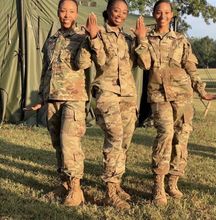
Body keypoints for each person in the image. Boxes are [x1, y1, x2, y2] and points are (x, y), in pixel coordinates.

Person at [24, 0, 103, 207]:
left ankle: (76, 189)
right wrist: (42, 97)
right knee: (58, 144)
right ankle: (65, 184)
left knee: (70, 143)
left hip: (74, 99)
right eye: (63, 11)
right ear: (58, 13)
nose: (66, 15)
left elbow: (83, 63)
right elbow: (46, 71)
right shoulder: (51, 40)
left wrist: (91, 37)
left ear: (76, 14)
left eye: (71, 11)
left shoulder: (81, 37)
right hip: (52, 99)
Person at [142, 0, 216, 206]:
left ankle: (173, 181)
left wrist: (201, 90)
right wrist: (141, 40)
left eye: (166, 12)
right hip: (159, 94)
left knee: (182, 136)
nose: (162, 16)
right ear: (154, 14)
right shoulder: (146, 38)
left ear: (172, 14)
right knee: (165, 133)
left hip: (183, 94)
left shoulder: (181, 39)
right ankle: (158, 185)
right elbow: (144, 63)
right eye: (159, 12)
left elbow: (190, 66)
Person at [78, 0, 149, 210]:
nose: (120, 15)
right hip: (107, 93)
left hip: (128, 96)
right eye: (116, 10)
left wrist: (141, 39)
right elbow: (98, 61)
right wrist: (92, 38)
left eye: (124, 12)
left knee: (125, 141)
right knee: (115, 137)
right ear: (108, 11)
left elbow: (145, 64)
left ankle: (117, 184)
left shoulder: (129, 39)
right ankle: (109, 190)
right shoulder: (97, 33)